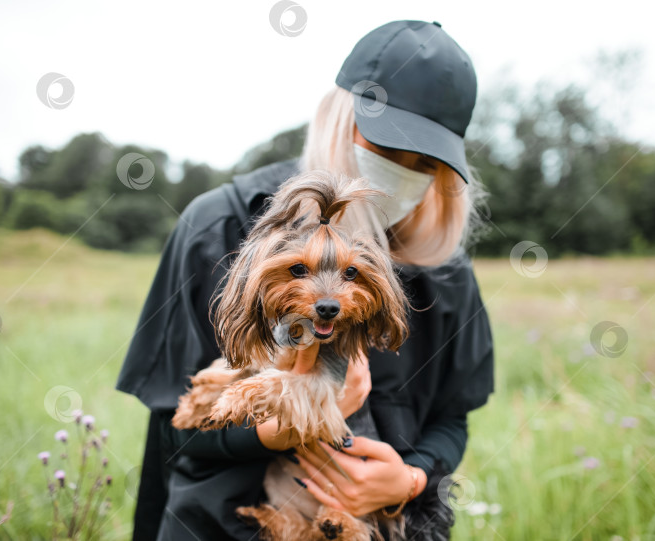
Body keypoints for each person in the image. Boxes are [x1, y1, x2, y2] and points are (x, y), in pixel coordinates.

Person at [116, 19, 494, 540]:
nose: (400, 173)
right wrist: (269, 432)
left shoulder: (446, 271)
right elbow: (171, 424)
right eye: (386, 146)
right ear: (340, 116)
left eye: (424, 162)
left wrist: (409, 479)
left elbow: (452, 420)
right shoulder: (217, 227)